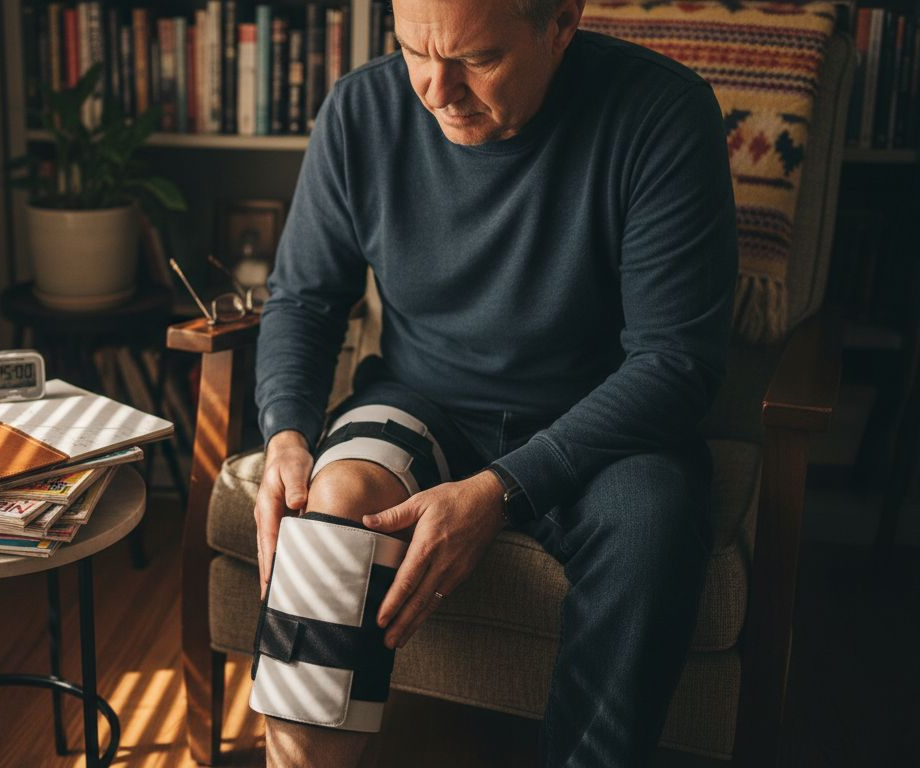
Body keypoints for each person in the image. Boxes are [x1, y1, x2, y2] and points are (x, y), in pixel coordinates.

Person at [251, 0, 739, 764]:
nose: (435, 90)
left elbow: (674, 363)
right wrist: (285, 431)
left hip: (600, 424)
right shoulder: (360, 109)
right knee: (334, 508)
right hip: (421, 402)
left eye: (476, 60)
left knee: (654, 529)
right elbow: (304, 300)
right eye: (415, 50)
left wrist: (501, 488)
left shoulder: (661, 112)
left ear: (561, 23)